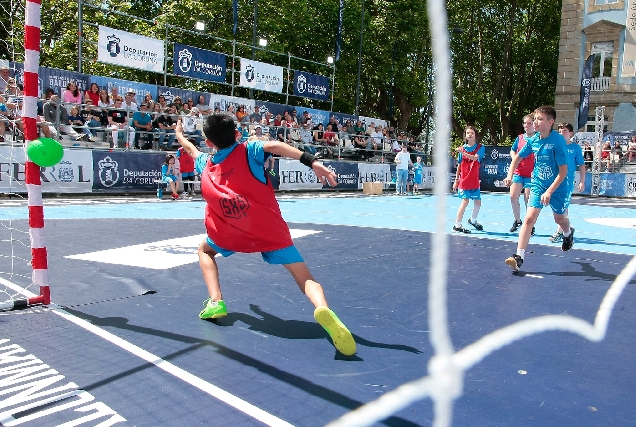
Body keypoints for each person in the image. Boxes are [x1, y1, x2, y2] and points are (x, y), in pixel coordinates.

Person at [173, 112, 356, 356]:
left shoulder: (205, 164)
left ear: (208, 142)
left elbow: (190, 149)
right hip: (269, 232)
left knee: (205, 251)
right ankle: (323, 309)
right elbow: (274, 145)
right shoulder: (248, 151)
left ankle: (216, 301)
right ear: (237, 134)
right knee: (305, 278)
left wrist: (179, 135)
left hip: (229, 235)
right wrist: (311, 160)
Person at [503, 106, 573, 272]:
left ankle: (568, 233)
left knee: (559, 219)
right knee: (529, 219)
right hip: (538, 184)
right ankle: (518, 257)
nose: (535, 122)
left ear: (550, 122)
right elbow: (517, 157)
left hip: (557, 187)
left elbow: (563, 172)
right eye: (534, 119)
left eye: (539, 119)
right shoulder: (533, 140)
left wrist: (549, 191)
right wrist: (510, 175)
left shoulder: (558, 141)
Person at [549, 123, 585, 243]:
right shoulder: (555, 146)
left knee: (563, 206)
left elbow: (582, 165)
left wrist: (582, 181)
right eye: (560, 131)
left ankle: (560, 231)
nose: (561, 133)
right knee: (556, 207)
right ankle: (566, 227)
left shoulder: (575, 148)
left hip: (567, 182)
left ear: (570, 133)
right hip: (555, 181)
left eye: (564, 131)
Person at [452, 126, 485, 233]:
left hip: (474, 181)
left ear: (475, 135)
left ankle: (473, 220)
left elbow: (475, 158)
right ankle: (457, 225)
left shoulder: (480, 147)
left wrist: (462, 152)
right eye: (468, 133)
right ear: (465, 136)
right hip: (464, 181)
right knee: (465, 201)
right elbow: (459, 166)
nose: (470, 135)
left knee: (478, 203)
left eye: (472, 133)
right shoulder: (462, 149)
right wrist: (456, 180)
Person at [508, 114, 536, 234]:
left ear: (534, 124)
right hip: (518, 172)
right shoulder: (520, 138)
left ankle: (530, 224)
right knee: (513, 196)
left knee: (528, 199)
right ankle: (517, 220)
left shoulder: (538, 138)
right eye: (524, 123)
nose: (526, 125)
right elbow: (512, 150)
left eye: (529, 123)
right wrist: (515, 158)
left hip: (531, 173)